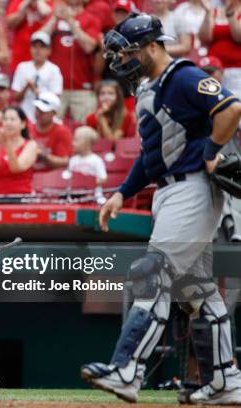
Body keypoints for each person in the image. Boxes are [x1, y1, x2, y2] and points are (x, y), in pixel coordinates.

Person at [82, 14, 241, 405]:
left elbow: (231, 108)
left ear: (153, 45)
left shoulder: (182, 75)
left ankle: (126, 369)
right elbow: (151, 152)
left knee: (153, 274)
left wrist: (211, 151)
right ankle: (226, 382)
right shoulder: (149, 86)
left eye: (130, 52)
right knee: (197, 292)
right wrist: (122, 191)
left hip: (193, 189)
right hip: (170, 190)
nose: (123, 60)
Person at [39, 0, 100, 122]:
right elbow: (39, 40)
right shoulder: (53, 16)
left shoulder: (91, 18)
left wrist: (70, 21)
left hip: (82, 87)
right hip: (54, 88)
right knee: (50, 126)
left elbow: (89, 47)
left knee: (86, 128)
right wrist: (54, 19)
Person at [11, 31, 63, 123]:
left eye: (42, 47)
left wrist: (36, 91)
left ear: (49, 50)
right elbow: (15, 97)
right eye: (34, 46)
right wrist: (26, 87)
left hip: (45, 116)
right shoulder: (22, 67)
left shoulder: (54, 70)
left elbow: (55, 99)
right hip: (25, 114)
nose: (38, 50)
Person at [0, 106, 38, 194]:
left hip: (21, 196)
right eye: (5, 119)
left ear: (23, 124)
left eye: (12, 119)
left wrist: (7, 144)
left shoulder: (31, 145)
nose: (8, 123)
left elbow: (16, 168)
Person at [198, 0, 241, 97]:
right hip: (213, 70)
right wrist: (208, 13)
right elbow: (204, 38)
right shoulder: (214, 11)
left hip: (237, 71)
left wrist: (231, 15)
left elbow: (239, 37)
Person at [5, 0, 52, 72]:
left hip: (44, 60)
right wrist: (24, 8)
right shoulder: (18, 1)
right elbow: (9, 23)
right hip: (20, 57)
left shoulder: (52, 2)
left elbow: (48, 14)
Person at [32, 92, 73, 170]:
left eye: (43, 111)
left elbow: (64, 161)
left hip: (53, 178)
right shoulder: (27, 128)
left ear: (54, 113)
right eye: (37, 109)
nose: (39, 113)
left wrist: (42, 155)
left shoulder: (62, 132)